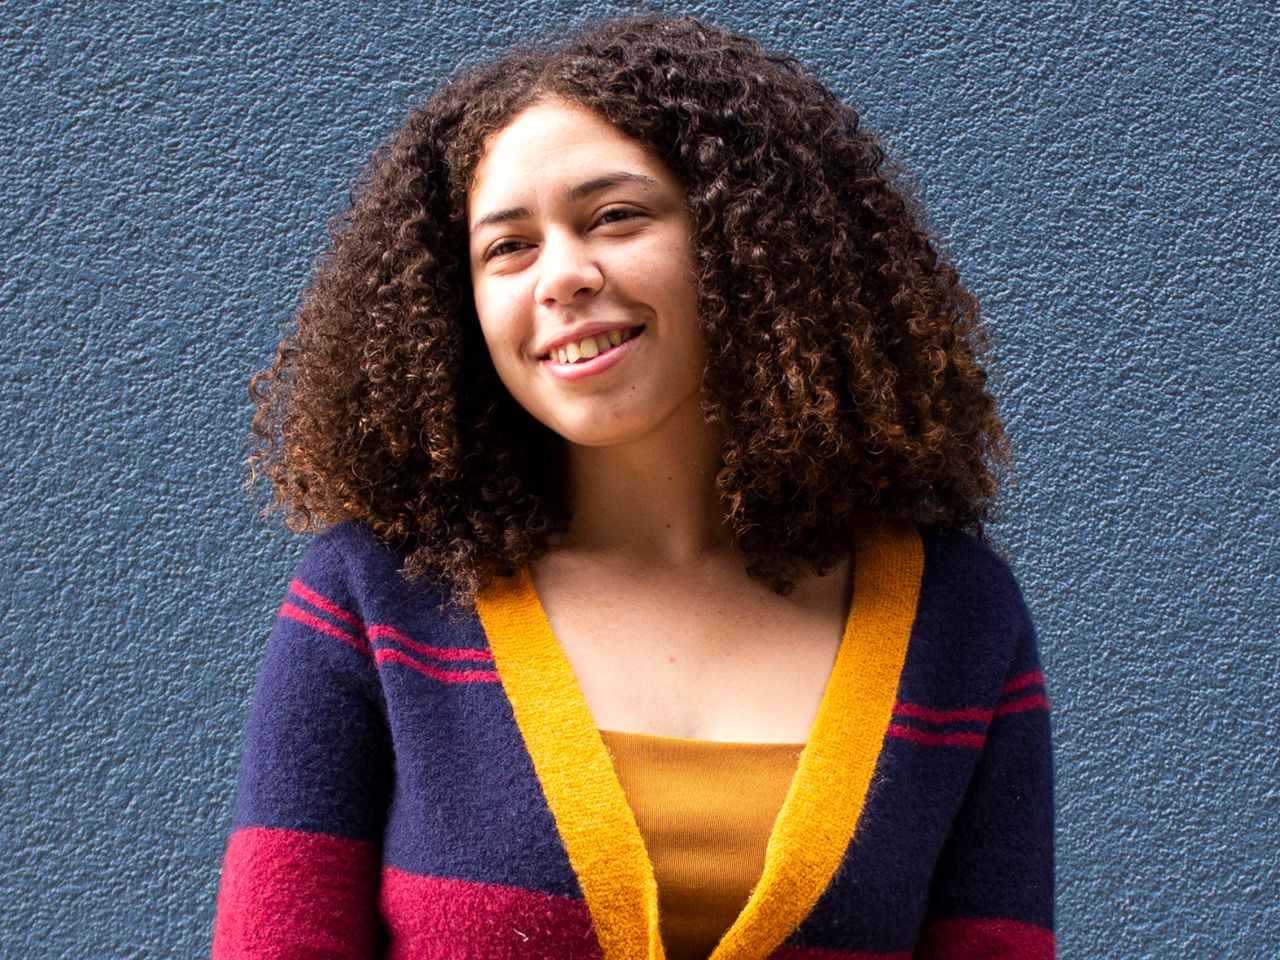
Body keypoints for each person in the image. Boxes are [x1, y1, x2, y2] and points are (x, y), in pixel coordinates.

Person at [211, 14, 1054, 960]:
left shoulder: (958, 620)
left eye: (614, 216)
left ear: (748, 242)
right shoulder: (375, 600)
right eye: (508, 248)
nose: (562, 277)